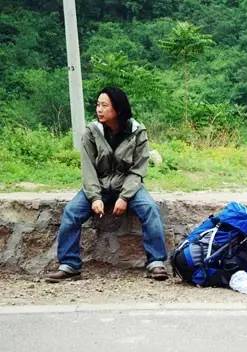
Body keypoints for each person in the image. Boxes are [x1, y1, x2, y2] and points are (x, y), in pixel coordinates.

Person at [45, 87, 169, 282]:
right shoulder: (91, 132)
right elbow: (88, 169)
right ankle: (70, 265)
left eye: (104, 105)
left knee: (149, 209)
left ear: (118, 109)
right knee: (71, 211)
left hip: (128, 185)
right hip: (99, 185)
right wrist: (95, 197)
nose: (99, 109)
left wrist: (124, 197)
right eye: (98, 105)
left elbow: (138, 170)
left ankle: (156, 262)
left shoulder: (137, 131)